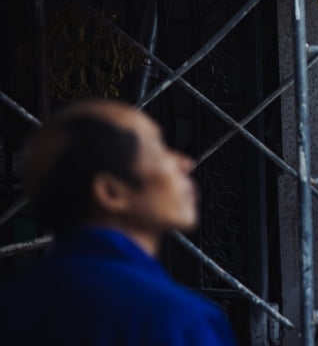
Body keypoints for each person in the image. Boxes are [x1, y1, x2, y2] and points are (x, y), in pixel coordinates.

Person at [0, 99, 236, 345]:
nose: (186, 163)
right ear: (111, 192)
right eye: (160, 150)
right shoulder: (176, 319)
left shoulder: (11, 306)